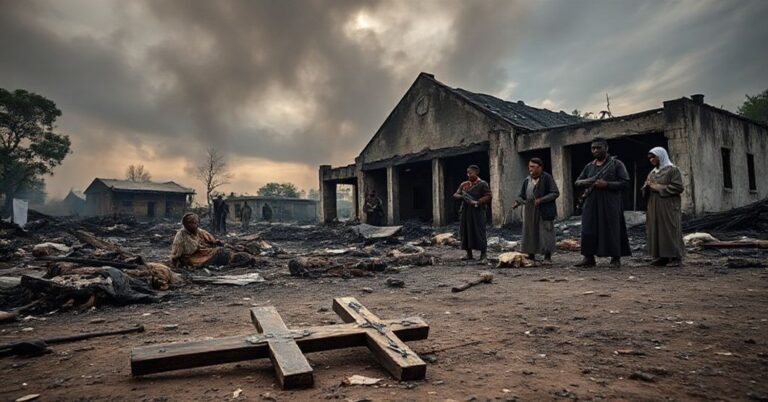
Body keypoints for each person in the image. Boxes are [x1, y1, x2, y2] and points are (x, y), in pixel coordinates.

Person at [574, 138, 631, 268]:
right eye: (593, 148)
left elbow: (625, 183)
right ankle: (589, 258)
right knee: (588, 228)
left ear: (606, 148)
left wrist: (607, 184)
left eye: (598, 147)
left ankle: (615, 258)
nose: (595, 150)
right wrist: (590, 181)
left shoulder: (616, 164)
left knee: (612, 228)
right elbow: (578, 182)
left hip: (610, 202)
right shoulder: (589, 166)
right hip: (591, 202)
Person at [642, 147, 685, 266]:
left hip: (668, 204)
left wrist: (658, 187)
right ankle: (662, 256)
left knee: (670, 229)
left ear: (661, 156)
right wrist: (646, 187)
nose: (651, 160)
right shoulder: (652, 172)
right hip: (654, 204)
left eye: (653, 157)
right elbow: (647, 187)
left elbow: (678, 187)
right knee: (657, 229)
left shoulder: (672, 170)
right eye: (650, 158)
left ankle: (676, 257)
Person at [512, 158, 560, 262]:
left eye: (533, 167)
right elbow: (522, 195)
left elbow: (555, 193)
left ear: (540, 168)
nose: (530, 169)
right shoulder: (527, 180)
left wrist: (541, 200)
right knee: (530, 232)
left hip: (544, 210)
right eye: (529, 166)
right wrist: (518, 202)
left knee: (546, 232)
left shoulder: (547, 178)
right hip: (530, 209)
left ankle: (547, 256)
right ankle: (531, 254)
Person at [170, 213, 255, 269]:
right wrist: (176, 265)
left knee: (224, 252)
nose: (192, 224)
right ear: (184, 223)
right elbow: (176, 254)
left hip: (206, 254)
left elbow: (213, 240)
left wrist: (219, 243)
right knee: (222, 254)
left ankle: (241, 260)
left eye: (194, 222)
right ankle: (235, 262)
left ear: (198, 223)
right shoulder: (181, 235)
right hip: (194, 258)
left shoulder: (200, 232)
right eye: (189, 222)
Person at [452, 165, 492, 261]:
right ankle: (469, 254)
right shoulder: (464, 184)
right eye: (467, 173)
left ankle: (483, 255)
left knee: (479, 231)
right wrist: (462, 197)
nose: (468, 175)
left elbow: (489, 196)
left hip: (477, 211)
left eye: (470, 173)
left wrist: (478, 202)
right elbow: (456, 194)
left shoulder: (482, 184)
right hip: (466, 211)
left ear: (476, 173)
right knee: (466, 231)